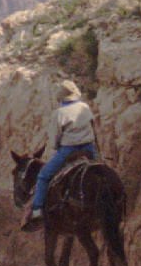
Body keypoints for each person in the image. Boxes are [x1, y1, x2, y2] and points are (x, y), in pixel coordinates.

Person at [19, 80, 98, 232]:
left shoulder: (59, 113)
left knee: (43, 176)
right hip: (88, 148)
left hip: (69, 150)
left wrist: (55, 147)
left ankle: (37, 211)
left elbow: (55, 138)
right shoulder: (85, 107)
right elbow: (92, 127)